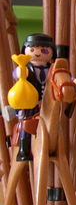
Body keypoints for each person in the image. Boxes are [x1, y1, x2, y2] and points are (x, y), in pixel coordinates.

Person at [14, 33, 56, 161]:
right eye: (32, 50)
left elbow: (61, 77)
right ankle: (24, 150)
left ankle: (50, 148)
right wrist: (21, 69)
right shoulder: (26, 68)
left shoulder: (52, 69)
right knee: (27, 125)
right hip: (30, 103)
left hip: (48, 104)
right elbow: (17, 74)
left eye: (44, 51)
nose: (37, 54)